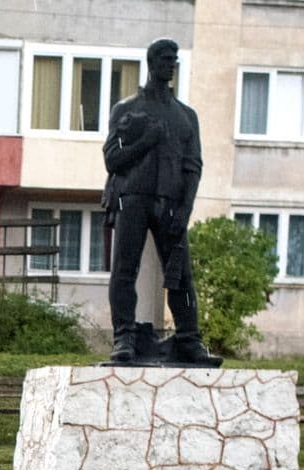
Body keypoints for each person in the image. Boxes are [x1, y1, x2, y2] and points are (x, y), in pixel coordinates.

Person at [101, 39, 216, 367]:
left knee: (181, 274)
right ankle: (123, 336)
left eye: (175, 60)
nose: (171, 65)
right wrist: (145, 142)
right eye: (166, 59)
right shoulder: (126, 110)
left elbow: (193, 167)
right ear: (151, 62)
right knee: (124, 270)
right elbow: (112, 159)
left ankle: (190, 339)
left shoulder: (185, 117)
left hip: (170, 203)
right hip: (132, 199)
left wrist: (186, 209)